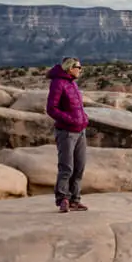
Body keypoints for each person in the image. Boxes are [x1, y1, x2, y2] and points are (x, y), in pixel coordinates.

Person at [45, 56, 89, 213]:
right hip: (66, 132)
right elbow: (51, 108)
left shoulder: (72, 83)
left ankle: (75, 200)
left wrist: (83, 118)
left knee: (79, 166)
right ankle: (63, 199)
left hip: (80, 131)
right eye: (79, 67)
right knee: (67, 167)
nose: (80, 70)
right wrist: (70, 120)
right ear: (70, 68)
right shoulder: (58, 83)